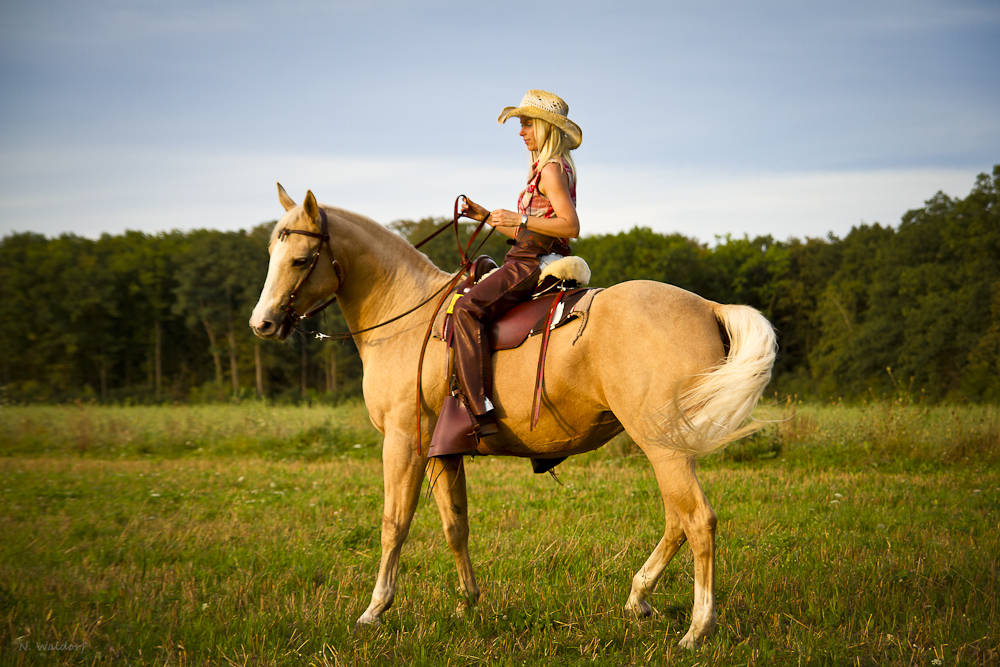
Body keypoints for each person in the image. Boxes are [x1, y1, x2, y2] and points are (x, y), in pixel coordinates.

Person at [453, 89, 582, 436]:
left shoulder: (551, 171)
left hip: (530, 260)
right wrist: (486, 216)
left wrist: (520, 220)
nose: (521, 132)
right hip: (529, 250)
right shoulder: (549, 168)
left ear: (544, 127)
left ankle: (477, 408)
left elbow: (571, 225)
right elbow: (529, 225)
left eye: (526, 124)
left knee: (466, 309)